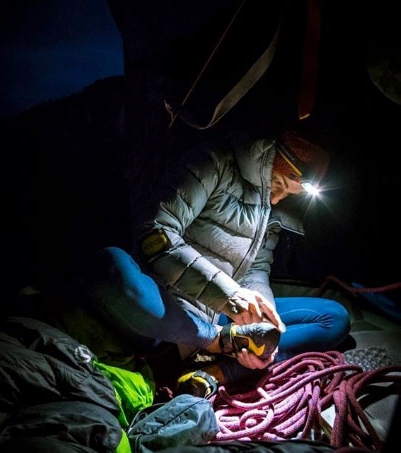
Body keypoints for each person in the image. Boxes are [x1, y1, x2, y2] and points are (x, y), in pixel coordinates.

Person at [69, 129, 351, 395]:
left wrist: (263, 322)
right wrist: (229, 297)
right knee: (110, 263)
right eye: (279, 184)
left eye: (287, 194)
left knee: (333, 317)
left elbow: (256, 268)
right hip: (168, 312)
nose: (277, 199)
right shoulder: (214, 163)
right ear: (269, 159)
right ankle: (214, 341)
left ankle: (216, 372)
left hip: (220, 316)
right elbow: (157, 234)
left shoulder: (266, 208)